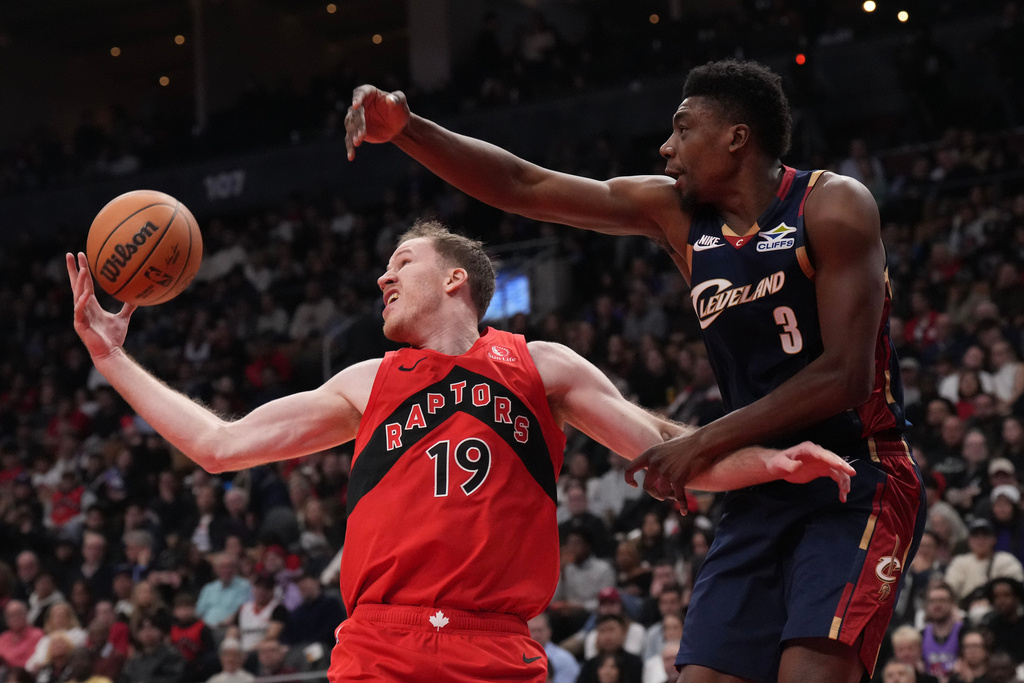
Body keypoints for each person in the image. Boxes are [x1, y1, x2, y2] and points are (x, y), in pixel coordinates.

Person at [66, 221, 854, 683]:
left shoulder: (541, 365)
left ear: (454, 278)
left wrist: (767, 460)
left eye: (399, 262)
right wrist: (112, 359)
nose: (382, 276)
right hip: (381, 641)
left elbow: (663, 452)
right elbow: (218, 444)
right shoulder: (365, 382)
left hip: (496, 646)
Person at [345, 58, 926, 683]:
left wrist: (700, 442)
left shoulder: (833, 205)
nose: (665, 146)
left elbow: (846, 376)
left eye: (682, 129)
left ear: (737, 136)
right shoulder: (675, 214)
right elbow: (523, 185)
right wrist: (409, 130)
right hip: (764, 485)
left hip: (858, 476)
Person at [527, 611, 580, 683]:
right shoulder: (517, 656)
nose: (537, 635)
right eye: (533, 630)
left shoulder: (564, 659)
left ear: (549, 631)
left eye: (540, 630)